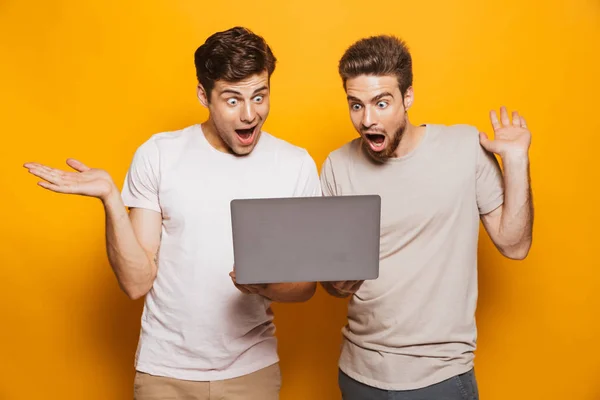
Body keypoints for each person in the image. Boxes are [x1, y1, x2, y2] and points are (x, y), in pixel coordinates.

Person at [23, 26, 320, 400]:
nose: (249, 115)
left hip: (252, 373)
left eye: (260, 97)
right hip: (164, 374)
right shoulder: (159, 155)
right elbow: (136, 282)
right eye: (232, 100)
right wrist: (112, 200)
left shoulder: (295, 165)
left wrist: (263, 285)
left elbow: (305, 287)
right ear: (203, 95)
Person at [320, 34, 533, 400]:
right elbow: (332, 284)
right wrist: (336, 281)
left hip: (441, 377)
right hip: (359, 374)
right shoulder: (338, 166)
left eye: (381, 103)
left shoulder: (464, 148)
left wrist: (515, 161)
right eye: (356, 105)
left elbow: (515, 245)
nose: (367, 119)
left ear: (408, 97)